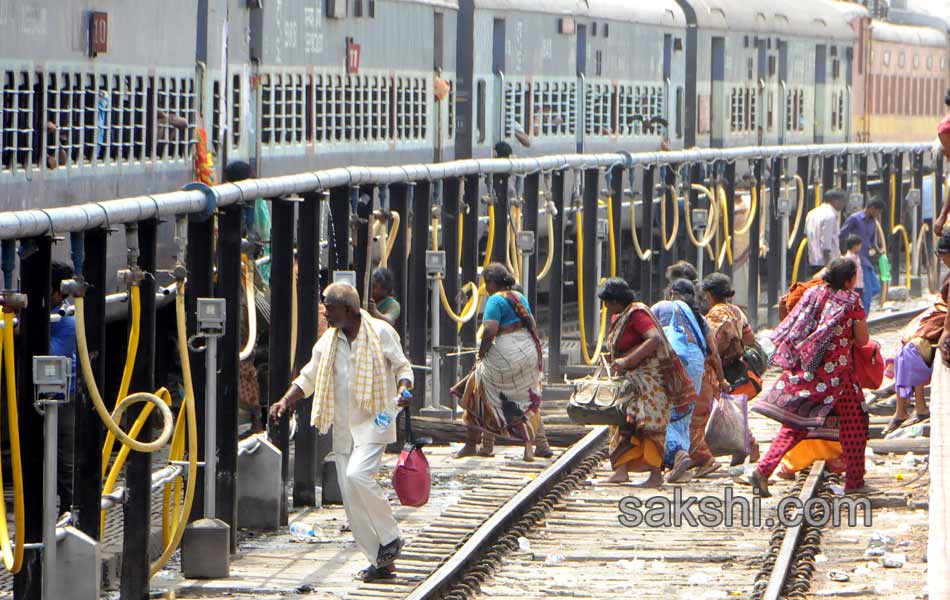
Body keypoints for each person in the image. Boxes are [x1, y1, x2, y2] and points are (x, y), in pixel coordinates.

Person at [269, 283, 413, 582]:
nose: (325, 312)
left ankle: (391, 537)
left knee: (356, 476)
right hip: (344, 428)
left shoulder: (381, 333)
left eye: (330, 308)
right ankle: (381, 563)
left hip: (376, 421)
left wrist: (403, 388)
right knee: (351, 497)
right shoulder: (329, 342)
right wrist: (285, 401)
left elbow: (402, 367)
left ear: (348, 309)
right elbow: (308, 377)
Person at [749, 258, 872, 496]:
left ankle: (763, 470)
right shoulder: (851, 300)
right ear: (848, 280)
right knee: (855, 423)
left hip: (809, 371)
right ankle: (855, 480)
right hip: (839, 377)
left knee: (795, 424)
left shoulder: (814, 293)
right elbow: (863, 340)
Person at [598, 278, 696, 487]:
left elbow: (654, 339)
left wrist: (627, 360)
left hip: (649, 381)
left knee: (647, 425)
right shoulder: (621, 315)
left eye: (607, 302)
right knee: (622, 423)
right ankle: (621, 469)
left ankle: (655, 474)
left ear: (616, 300)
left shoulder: (637, 313)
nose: (605, 307)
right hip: (632, 380)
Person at [451, 264, 547, 462]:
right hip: (528, 353)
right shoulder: (519, 297)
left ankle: (472, 444)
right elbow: (533, 325)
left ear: (492, 283)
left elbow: (490, 330)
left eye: (486, 283)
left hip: (505, 354)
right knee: (526, 400)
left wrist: (481, 354)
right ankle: (529, 449)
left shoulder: (495, 300)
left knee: (474, 390)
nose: (486, 288)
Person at [652, 279, 725, 482]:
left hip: (672, 360)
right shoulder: (699, 318)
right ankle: (680, 464)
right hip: (696, 362)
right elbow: (713, 351)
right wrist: (721, 379)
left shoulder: (662, 306)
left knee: (661, 411)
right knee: (685, 413)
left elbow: (648, 335)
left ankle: (677, 454)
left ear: (671, 293)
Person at [884, 231, 950, 434]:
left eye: (942, 255)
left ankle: (917, 407)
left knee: (913, 349)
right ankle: (904, 409)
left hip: (944, 322)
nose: (941, 260)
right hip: (941, 317)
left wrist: (945, 334)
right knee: (905, 347)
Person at [700, 273, 762, 465]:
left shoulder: (714, 315)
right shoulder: (736, 311)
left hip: (717, 369)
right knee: (730, 410)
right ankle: (745, 447)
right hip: (734, 365)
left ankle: (746, 444)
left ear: (709, 295)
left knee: (716, 409)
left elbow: (710, 346)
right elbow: (750, 338)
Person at [51, 261, 78, 513]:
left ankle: (69, 509)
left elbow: (50, 355)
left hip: (63, 395)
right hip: (44, 395)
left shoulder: (67, 321)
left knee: (63, 456)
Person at [840, 198, 885, 312]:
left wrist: (879, 251)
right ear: (871, 208)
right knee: (866, 290)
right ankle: (862, 316)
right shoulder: (855, 218)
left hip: (865, 259)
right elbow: (842, 234)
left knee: (875, 288)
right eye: (877, 211)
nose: (877, 214)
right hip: (855, 260)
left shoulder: (873, 222)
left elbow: (872, 241)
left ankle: (861, 312)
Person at [804, 188, 846, 276]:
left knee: (817, 288)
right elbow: (826, 244)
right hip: (828, 262)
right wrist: (829, 265)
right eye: (843, 201)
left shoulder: (811, 213)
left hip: (814, 260)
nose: (843, 205)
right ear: (835, 201)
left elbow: (806, 235)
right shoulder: (830, 216)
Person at [842, 234, 864, 303]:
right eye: (859, 245)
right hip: (853, 286)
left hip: (859, 285)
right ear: (855, 246)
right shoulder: (849, 258)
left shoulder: (856, 257)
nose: (860, 247)